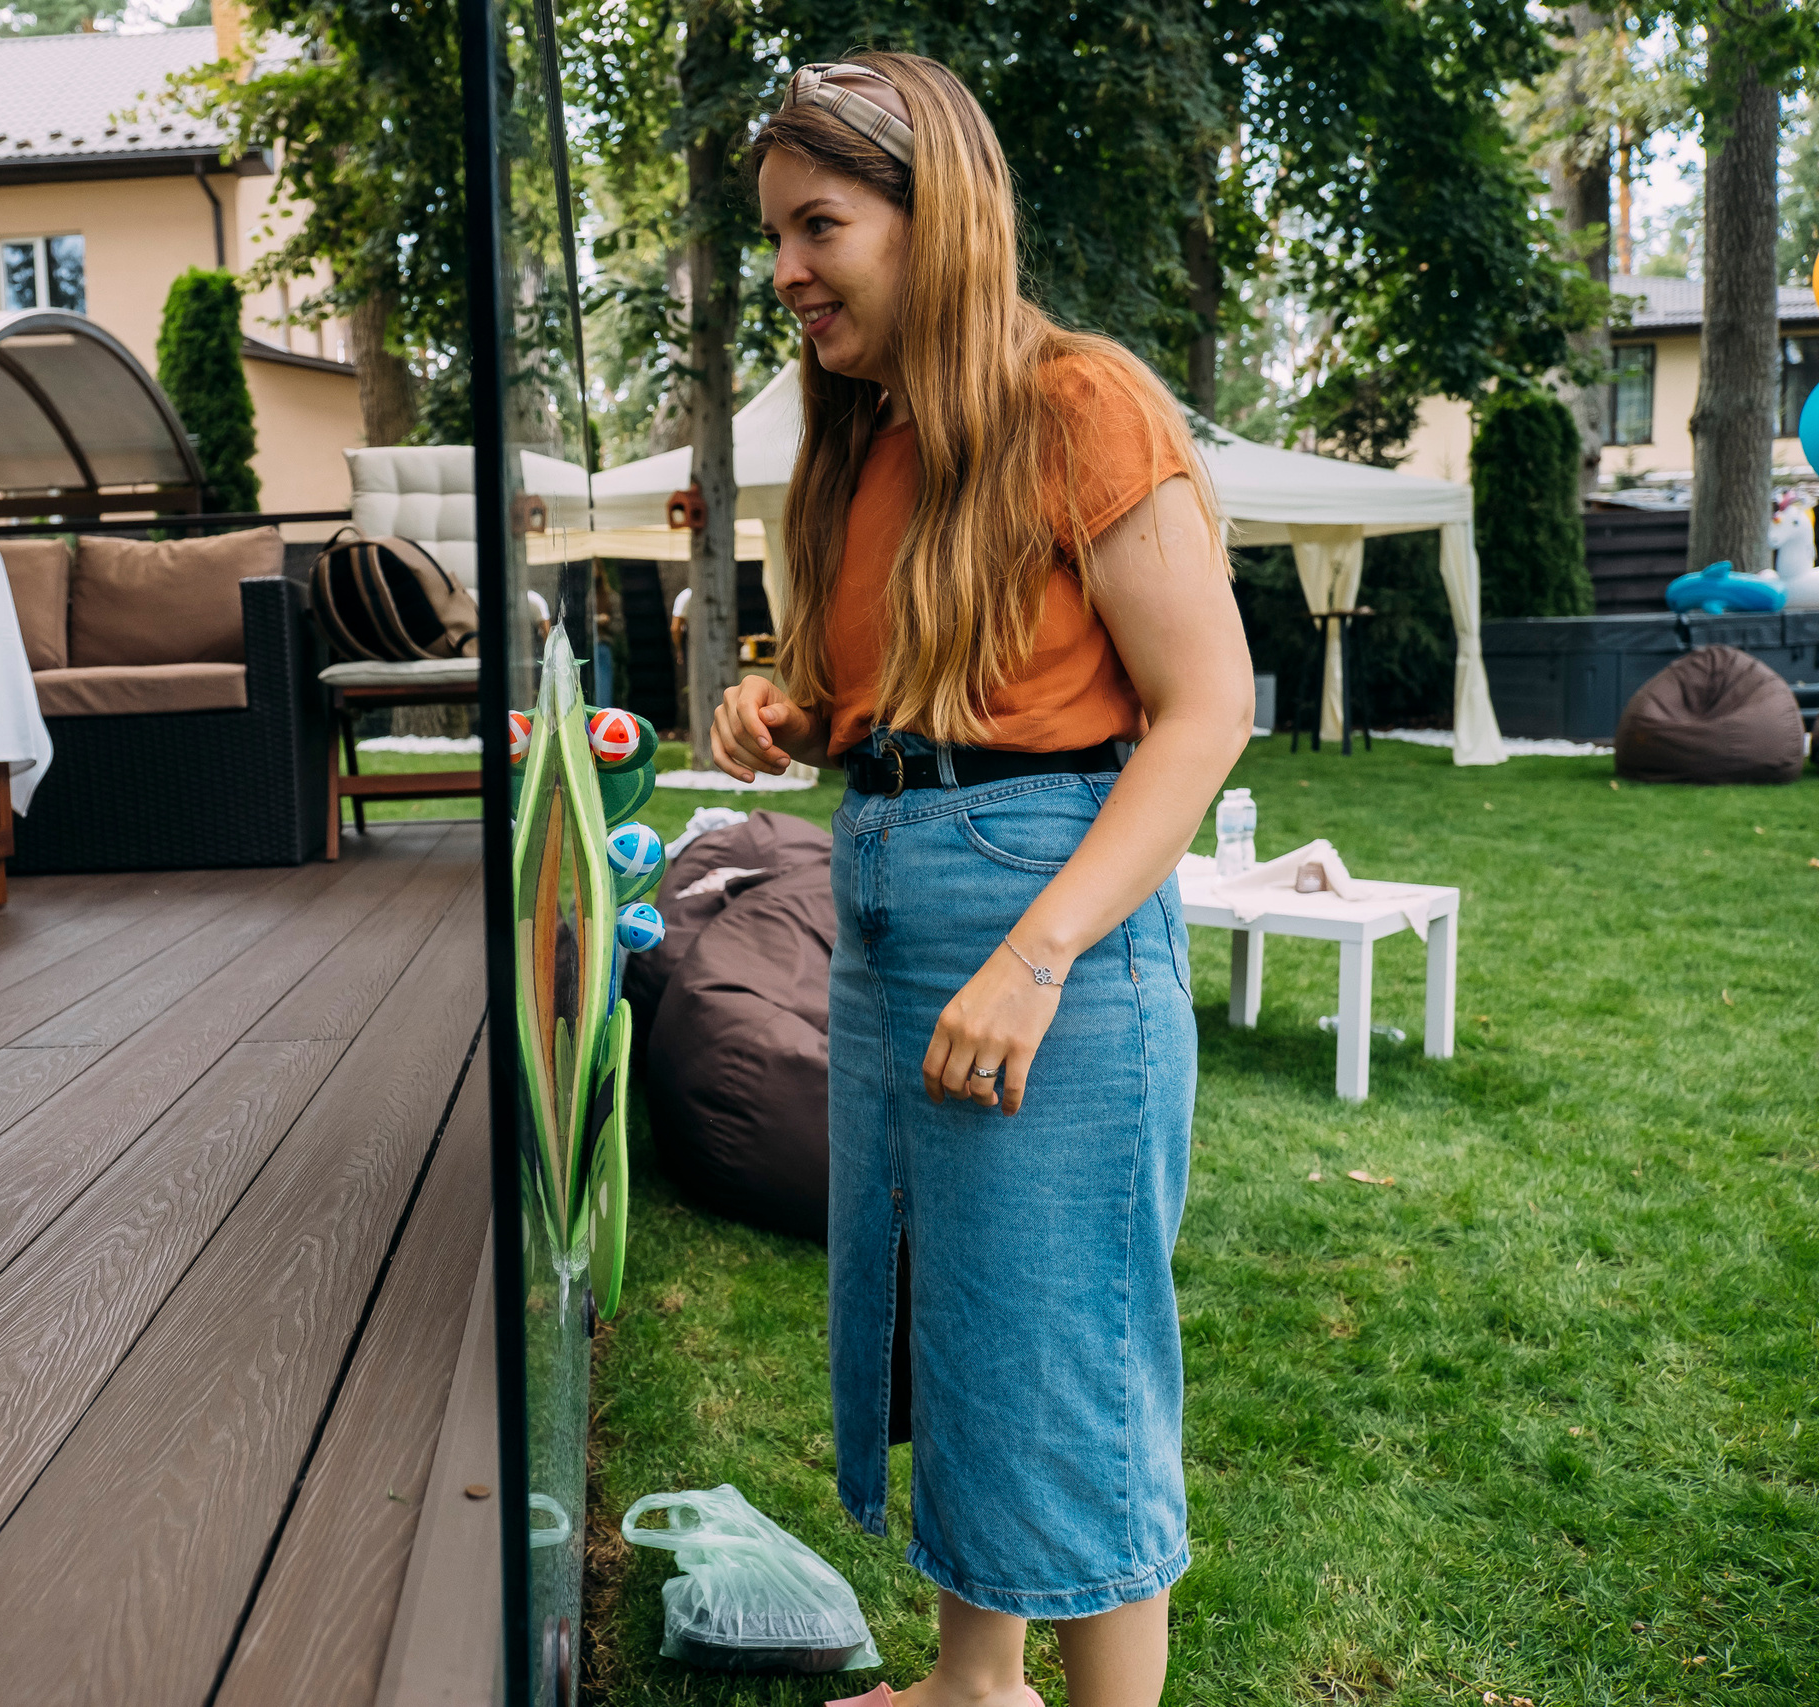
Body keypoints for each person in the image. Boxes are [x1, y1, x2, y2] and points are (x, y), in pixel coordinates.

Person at [711, 55, 1254, 1707]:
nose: (790, 271)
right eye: (776, 238)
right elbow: (911, 689)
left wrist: (1037, 955)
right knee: (956, 1321)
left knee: (1064, 1352)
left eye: (822, 225)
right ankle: (976, 1687)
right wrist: (795, 709)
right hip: (893, 894)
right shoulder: (866, 443)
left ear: (934, 217)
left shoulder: (1080, 404)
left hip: (1043, 921)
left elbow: (1206, 707)